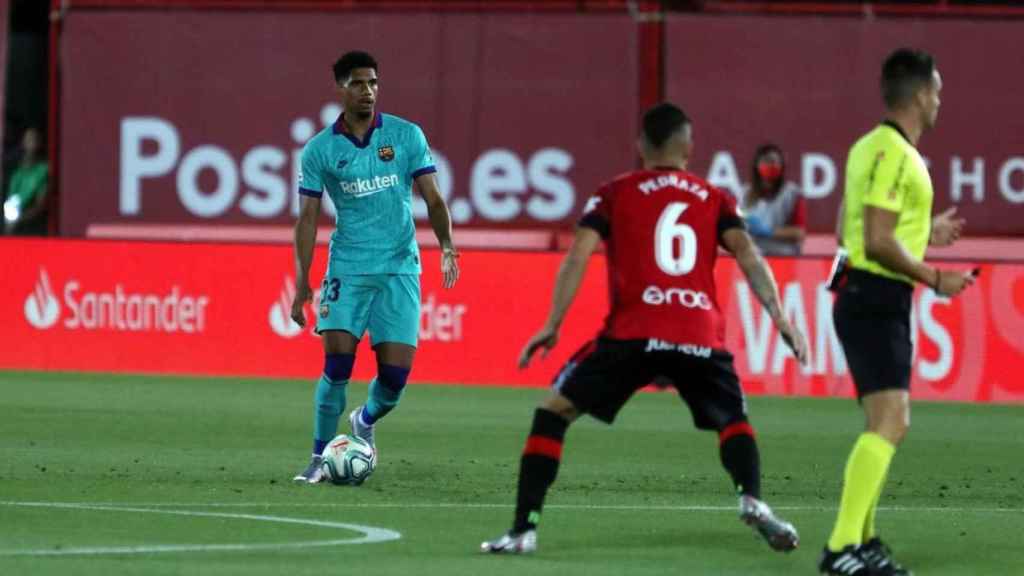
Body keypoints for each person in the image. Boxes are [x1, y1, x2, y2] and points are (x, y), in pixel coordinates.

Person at [481, 102, 810, 555]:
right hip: (698, 332)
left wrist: (553, 323)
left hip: (634, 330)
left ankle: (523, 530)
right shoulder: (714, 197)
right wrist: (780, 317)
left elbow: (579, 253)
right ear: (689, 147)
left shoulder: (614, 192)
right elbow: (749, 255)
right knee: (733, 420)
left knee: (553, 413)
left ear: (641, 146)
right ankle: (751, 498)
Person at [819, 48, 972, 576]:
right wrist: (935, 277)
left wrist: (926, 234)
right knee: (892, 422)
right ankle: (841, 548)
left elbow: (850, 230)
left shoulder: (869, 148)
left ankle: (863, 541)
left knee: (884, 424)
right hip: (875, 297)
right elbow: (878, 242)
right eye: (938, 91)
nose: (940, 102)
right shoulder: (897, 155)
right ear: (921, 94)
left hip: (868, 296)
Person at [289, 50, 460, 484]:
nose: (368, 91)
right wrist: (302, 284)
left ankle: (364, 421)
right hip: (347, 267)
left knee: (395, 378)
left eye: (373, 83)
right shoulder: (320, 150)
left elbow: (433, 199)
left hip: (400, 267)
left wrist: (447, 246)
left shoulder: (405, 136)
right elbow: (307, 219)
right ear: (341, 88)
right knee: (338, 364)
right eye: (359, 84)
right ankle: (316, 459)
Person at [737, 143, 806, 256]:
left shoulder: (792, 193)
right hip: (753, 256)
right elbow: (737, 228)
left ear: (781, 165)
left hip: (784, 255)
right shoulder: (745, 193)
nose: (771, 165)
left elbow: (799, 233)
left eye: (775, 161)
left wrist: (768, 231)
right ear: (757, 165)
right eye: (766, 161)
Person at [3, 127, 49, 235]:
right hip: (14, 228)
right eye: (28, 140)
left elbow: (41, 205)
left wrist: (20, 219)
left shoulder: (43, 170)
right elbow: (12, 202)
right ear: (23, 143)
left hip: (34, 228)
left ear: (39, 143)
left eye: (34, 140)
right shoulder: (16, 174)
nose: (31, 144)